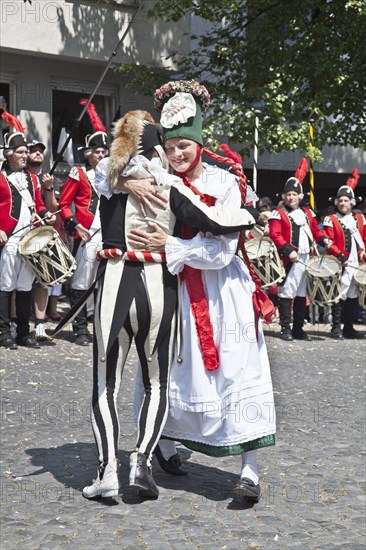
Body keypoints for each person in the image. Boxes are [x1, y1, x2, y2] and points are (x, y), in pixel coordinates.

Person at [81, 108, 256, 501]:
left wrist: (122, 179)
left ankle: (107, 470)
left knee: (105, 385)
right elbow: (212, 220)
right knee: (155, 381)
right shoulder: (167, 184)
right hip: (157, 284)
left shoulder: (108, 178)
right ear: (159, 148)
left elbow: (103, 179)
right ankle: (141, 460)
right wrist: (249, 214)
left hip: (113, 280)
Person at [128, 80, 276, 502]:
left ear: (198, 143)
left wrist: (170, 245)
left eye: (184, 146)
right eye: (170, 146)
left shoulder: (225, 182)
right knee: (170, 370)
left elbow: (221, 250)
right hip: (173, 291)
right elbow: (107, 176)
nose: (176, 155)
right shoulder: (156, 176)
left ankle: (249, 472)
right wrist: (128, 184)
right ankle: (167, 446)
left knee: (236, 372)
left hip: (222, 293)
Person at [0, 114, 56, 349]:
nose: (25, 156)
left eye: (26, 152)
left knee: (25, 287)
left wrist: (46, 215)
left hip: (29, 239)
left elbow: (39, 205)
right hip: (9, 238)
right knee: (5, 286)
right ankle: (4, 332)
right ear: (8, 154)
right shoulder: (1, 177)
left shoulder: (33, 179)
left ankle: (24, 332)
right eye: (20, 152)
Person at [59, 102, 108, 345]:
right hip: (86, 233)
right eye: (98, 151)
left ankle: (98, 325)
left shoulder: (112, 177)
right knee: (81, 282)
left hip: (107, 235)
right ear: (88, 153)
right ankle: (79, 329)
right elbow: (64, 204)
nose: (102, 155)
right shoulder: (78, 174)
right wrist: (75, 224)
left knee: (103, 283)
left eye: (104, 152)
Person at [269, 158, 331, 341]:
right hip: (291, 259)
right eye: (288, 194)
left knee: (302, 293)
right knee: (287, 293)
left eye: (294, 194)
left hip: (307, 258)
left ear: (299, 196)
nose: (291, 197)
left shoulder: (308, 213)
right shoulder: (278, 214)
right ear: (284, 197)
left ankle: (298, 328)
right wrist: (289, 251)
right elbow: (275, 234)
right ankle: (285, 329)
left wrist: (324, 239)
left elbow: (315, 231)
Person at [323, 169, 366, 339]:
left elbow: (364, 238)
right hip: (341, 263)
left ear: (352, 202)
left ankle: (348, 327)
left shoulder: (360, 219)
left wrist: (363, 252)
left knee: (353, 296)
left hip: (357, 263)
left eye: (346, 200)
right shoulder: (331, 219)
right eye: (340, 200)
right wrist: (340, 256)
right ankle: (336, 328)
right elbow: (329, 241)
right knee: (339, 295)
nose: (342, 203)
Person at [26, 140, 59, 342]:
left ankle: (39, 324)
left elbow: (52, 206)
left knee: (43, 279)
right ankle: (15, 321)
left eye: (40, 151)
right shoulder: (20, 177)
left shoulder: (45, 178)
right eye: (33, 151)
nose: (38, 154)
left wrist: (49, 188)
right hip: (22, 233)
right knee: (17, 283)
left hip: (41, 234)